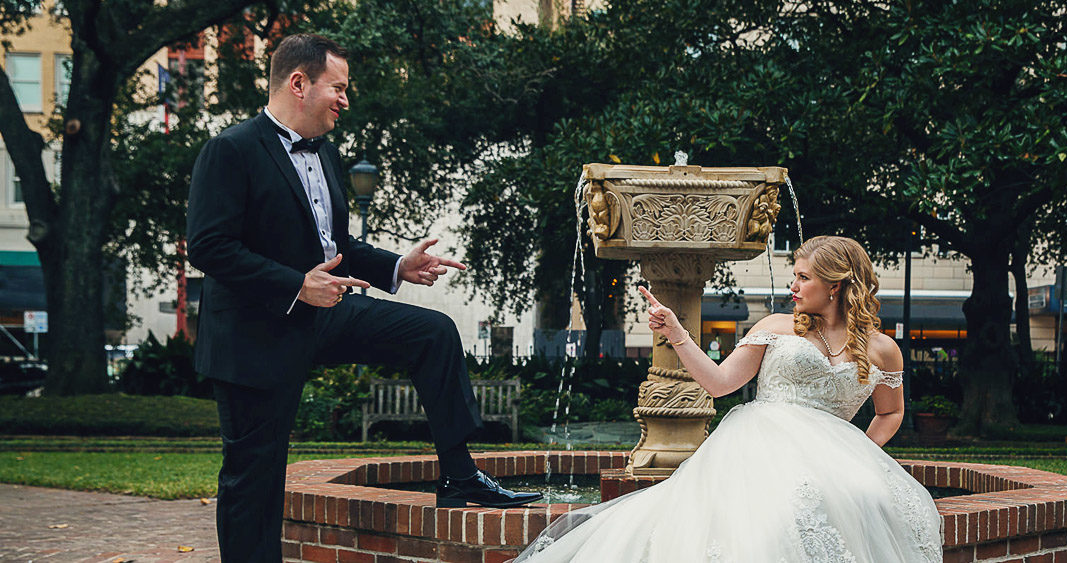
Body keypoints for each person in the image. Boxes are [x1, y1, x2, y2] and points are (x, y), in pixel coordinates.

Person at [186, 33, 540, 563]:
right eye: (339, 88)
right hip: (253, 333)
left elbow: (339, 247)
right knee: (253, 477)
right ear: (299, 83)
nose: (346, 100)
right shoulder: (229, 150)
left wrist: (398, 266)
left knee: (432, 333)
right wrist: (296, 284)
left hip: (324, 314)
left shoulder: (326, 154)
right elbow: (209, 247)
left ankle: (461, 476)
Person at [516, 236, 943, 562]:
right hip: (759, 447)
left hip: (832, 460)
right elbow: (720, 384)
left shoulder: (883, 348)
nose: (793, 285)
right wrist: (678, 335)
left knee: (872, 504)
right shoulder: (776, 326)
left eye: (803, 277)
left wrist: (854, 455)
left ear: (835, 286)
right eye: (794, 274)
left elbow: (891, 411)